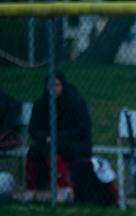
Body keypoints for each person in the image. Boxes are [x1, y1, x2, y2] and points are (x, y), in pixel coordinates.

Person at [19, 72, 91, 204]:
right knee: (34, 150)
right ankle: (30, 190)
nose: (53, 89)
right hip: (47, 143)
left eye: (57, 85)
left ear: (63, 86)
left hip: (73, 143)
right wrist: (47, 137)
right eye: (50, 85)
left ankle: (65, 188)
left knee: (49, 148)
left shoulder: (76, 103)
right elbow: (34, 130)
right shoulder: (40, 105)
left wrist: (56, 137)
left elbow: (82, 129)